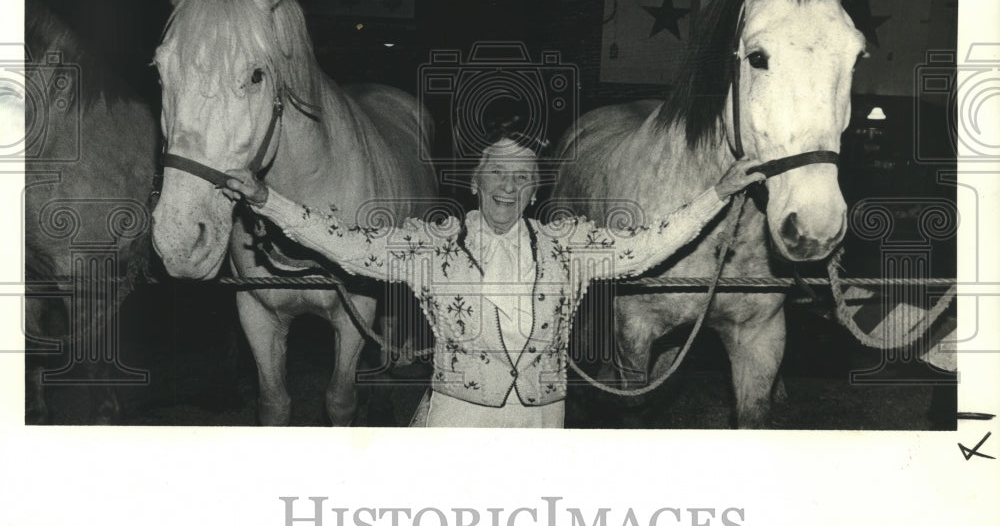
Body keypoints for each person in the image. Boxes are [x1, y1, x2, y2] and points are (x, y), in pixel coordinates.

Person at [223, 126, 764, 428]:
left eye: (524, 177)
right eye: (498, 174)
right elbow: (347, 245)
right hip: (458, 425)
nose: (510, 187)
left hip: (541, 426)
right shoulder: (432, 247)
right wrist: (269, 201)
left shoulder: (568, 246)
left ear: (536, 191)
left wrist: (715, 195)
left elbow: (647, 249)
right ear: (476, 183)